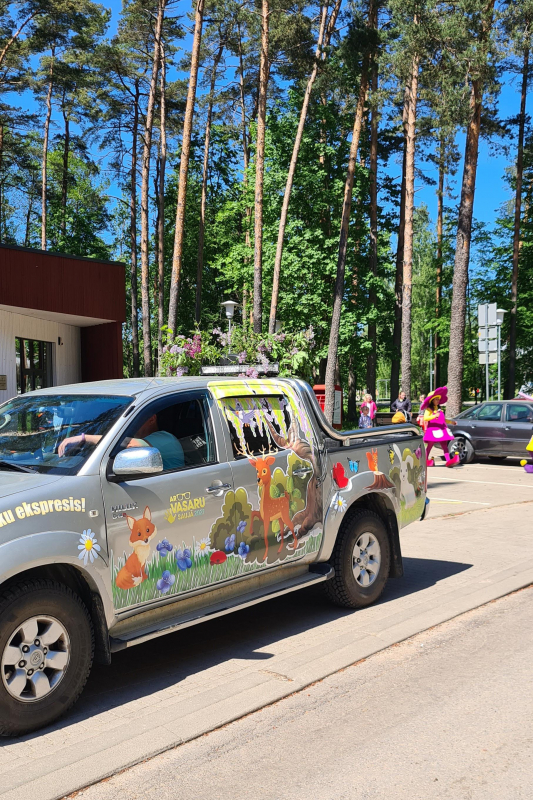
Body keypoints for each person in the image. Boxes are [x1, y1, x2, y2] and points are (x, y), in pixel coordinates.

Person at [58, 413, 184, 471]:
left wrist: (84, 438)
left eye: (136, 419)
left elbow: (129, 444)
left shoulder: (165, 438)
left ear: (152, 419)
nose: (132, 424)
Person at [421, 387, 459, 468]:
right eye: (436, 399)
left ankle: (448, 461)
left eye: (438, 399)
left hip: (441, 430)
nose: (438, 401)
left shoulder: (439, 409)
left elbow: (443, 419)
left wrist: (451, 422)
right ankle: (424, 460)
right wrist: (434, 415)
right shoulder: (429, 409)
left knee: (444, 446)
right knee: (430, 446)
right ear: (432, 400)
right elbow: (425, 418)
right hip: (433, 430)